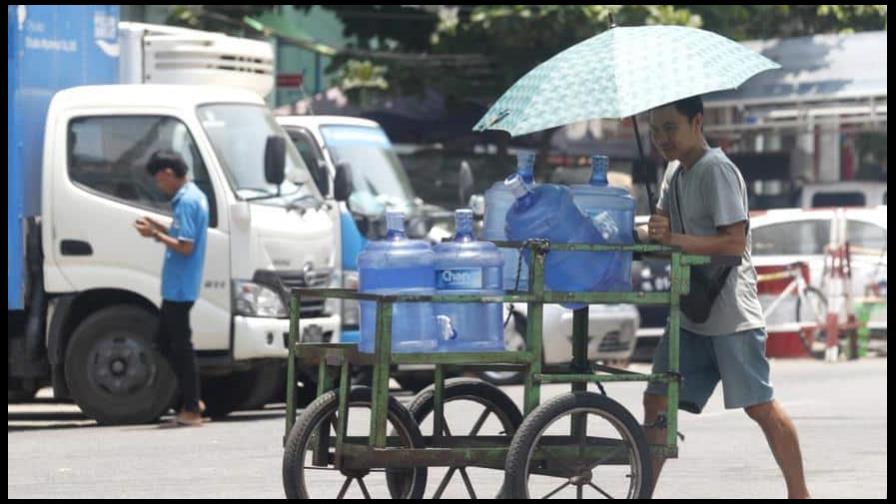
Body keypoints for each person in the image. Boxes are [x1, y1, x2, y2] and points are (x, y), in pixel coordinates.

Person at [638, 95, 810, 499]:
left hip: (730, 312)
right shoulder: (672, 173)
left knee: (759, 407)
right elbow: (661, 229)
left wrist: (673, 238)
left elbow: (733, 243)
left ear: (697, 122)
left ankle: (800, 494)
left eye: (670, 127)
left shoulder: (717, 170)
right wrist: (649, 231)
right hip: (689, 311)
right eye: (655, 130)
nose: (662, 138)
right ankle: (641, 493)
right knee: (656, 400)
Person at [134, 150, 209, 427]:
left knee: (179, 347)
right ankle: (193, 400)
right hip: (180, 285)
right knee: (165, 342)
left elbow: (186, 246)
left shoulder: (187, 202)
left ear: (167, 173)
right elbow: (180, 232)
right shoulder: (193, 196)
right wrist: (158, 226)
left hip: (179, 286)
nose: (159, 186)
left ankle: (192, 407)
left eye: (159, 180)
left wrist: (154, 235)